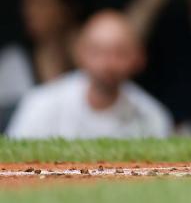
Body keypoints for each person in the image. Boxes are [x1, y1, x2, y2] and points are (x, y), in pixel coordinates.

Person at [6, 11, 172, 139]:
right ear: (80, 53)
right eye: (97, 51)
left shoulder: (152, 116)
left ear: (139, 58)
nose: (108, 63)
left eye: (119, 53)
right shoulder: (41, 103)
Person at [0, 0, 89, 125]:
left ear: (67, 7)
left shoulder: (91, 60)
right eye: (27, 0)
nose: (28, 9)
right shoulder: (13, 63)